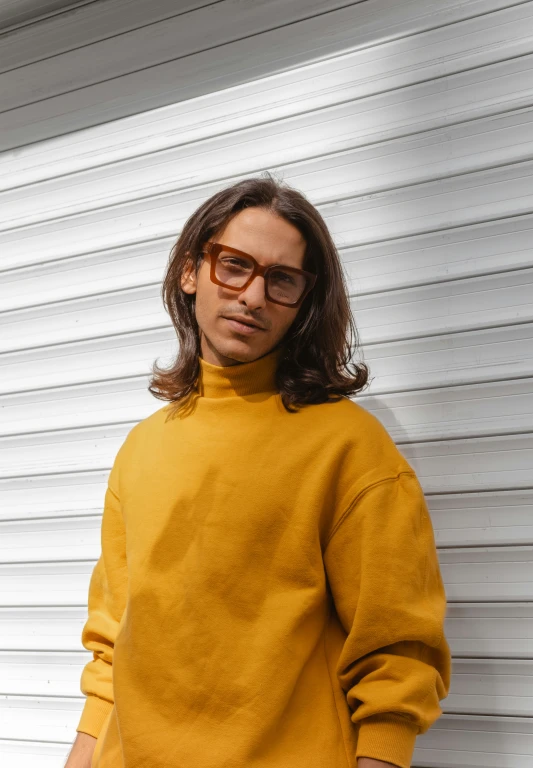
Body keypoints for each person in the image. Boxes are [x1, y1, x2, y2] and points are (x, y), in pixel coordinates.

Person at [65, 173, 451, 768]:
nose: (253, 295)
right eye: (235, 265)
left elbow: (397, 652)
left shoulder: (348, 446)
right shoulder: (141, 449)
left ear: (305, 301)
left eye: (282, 279)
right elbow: (113, 643)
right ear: (191, 272)